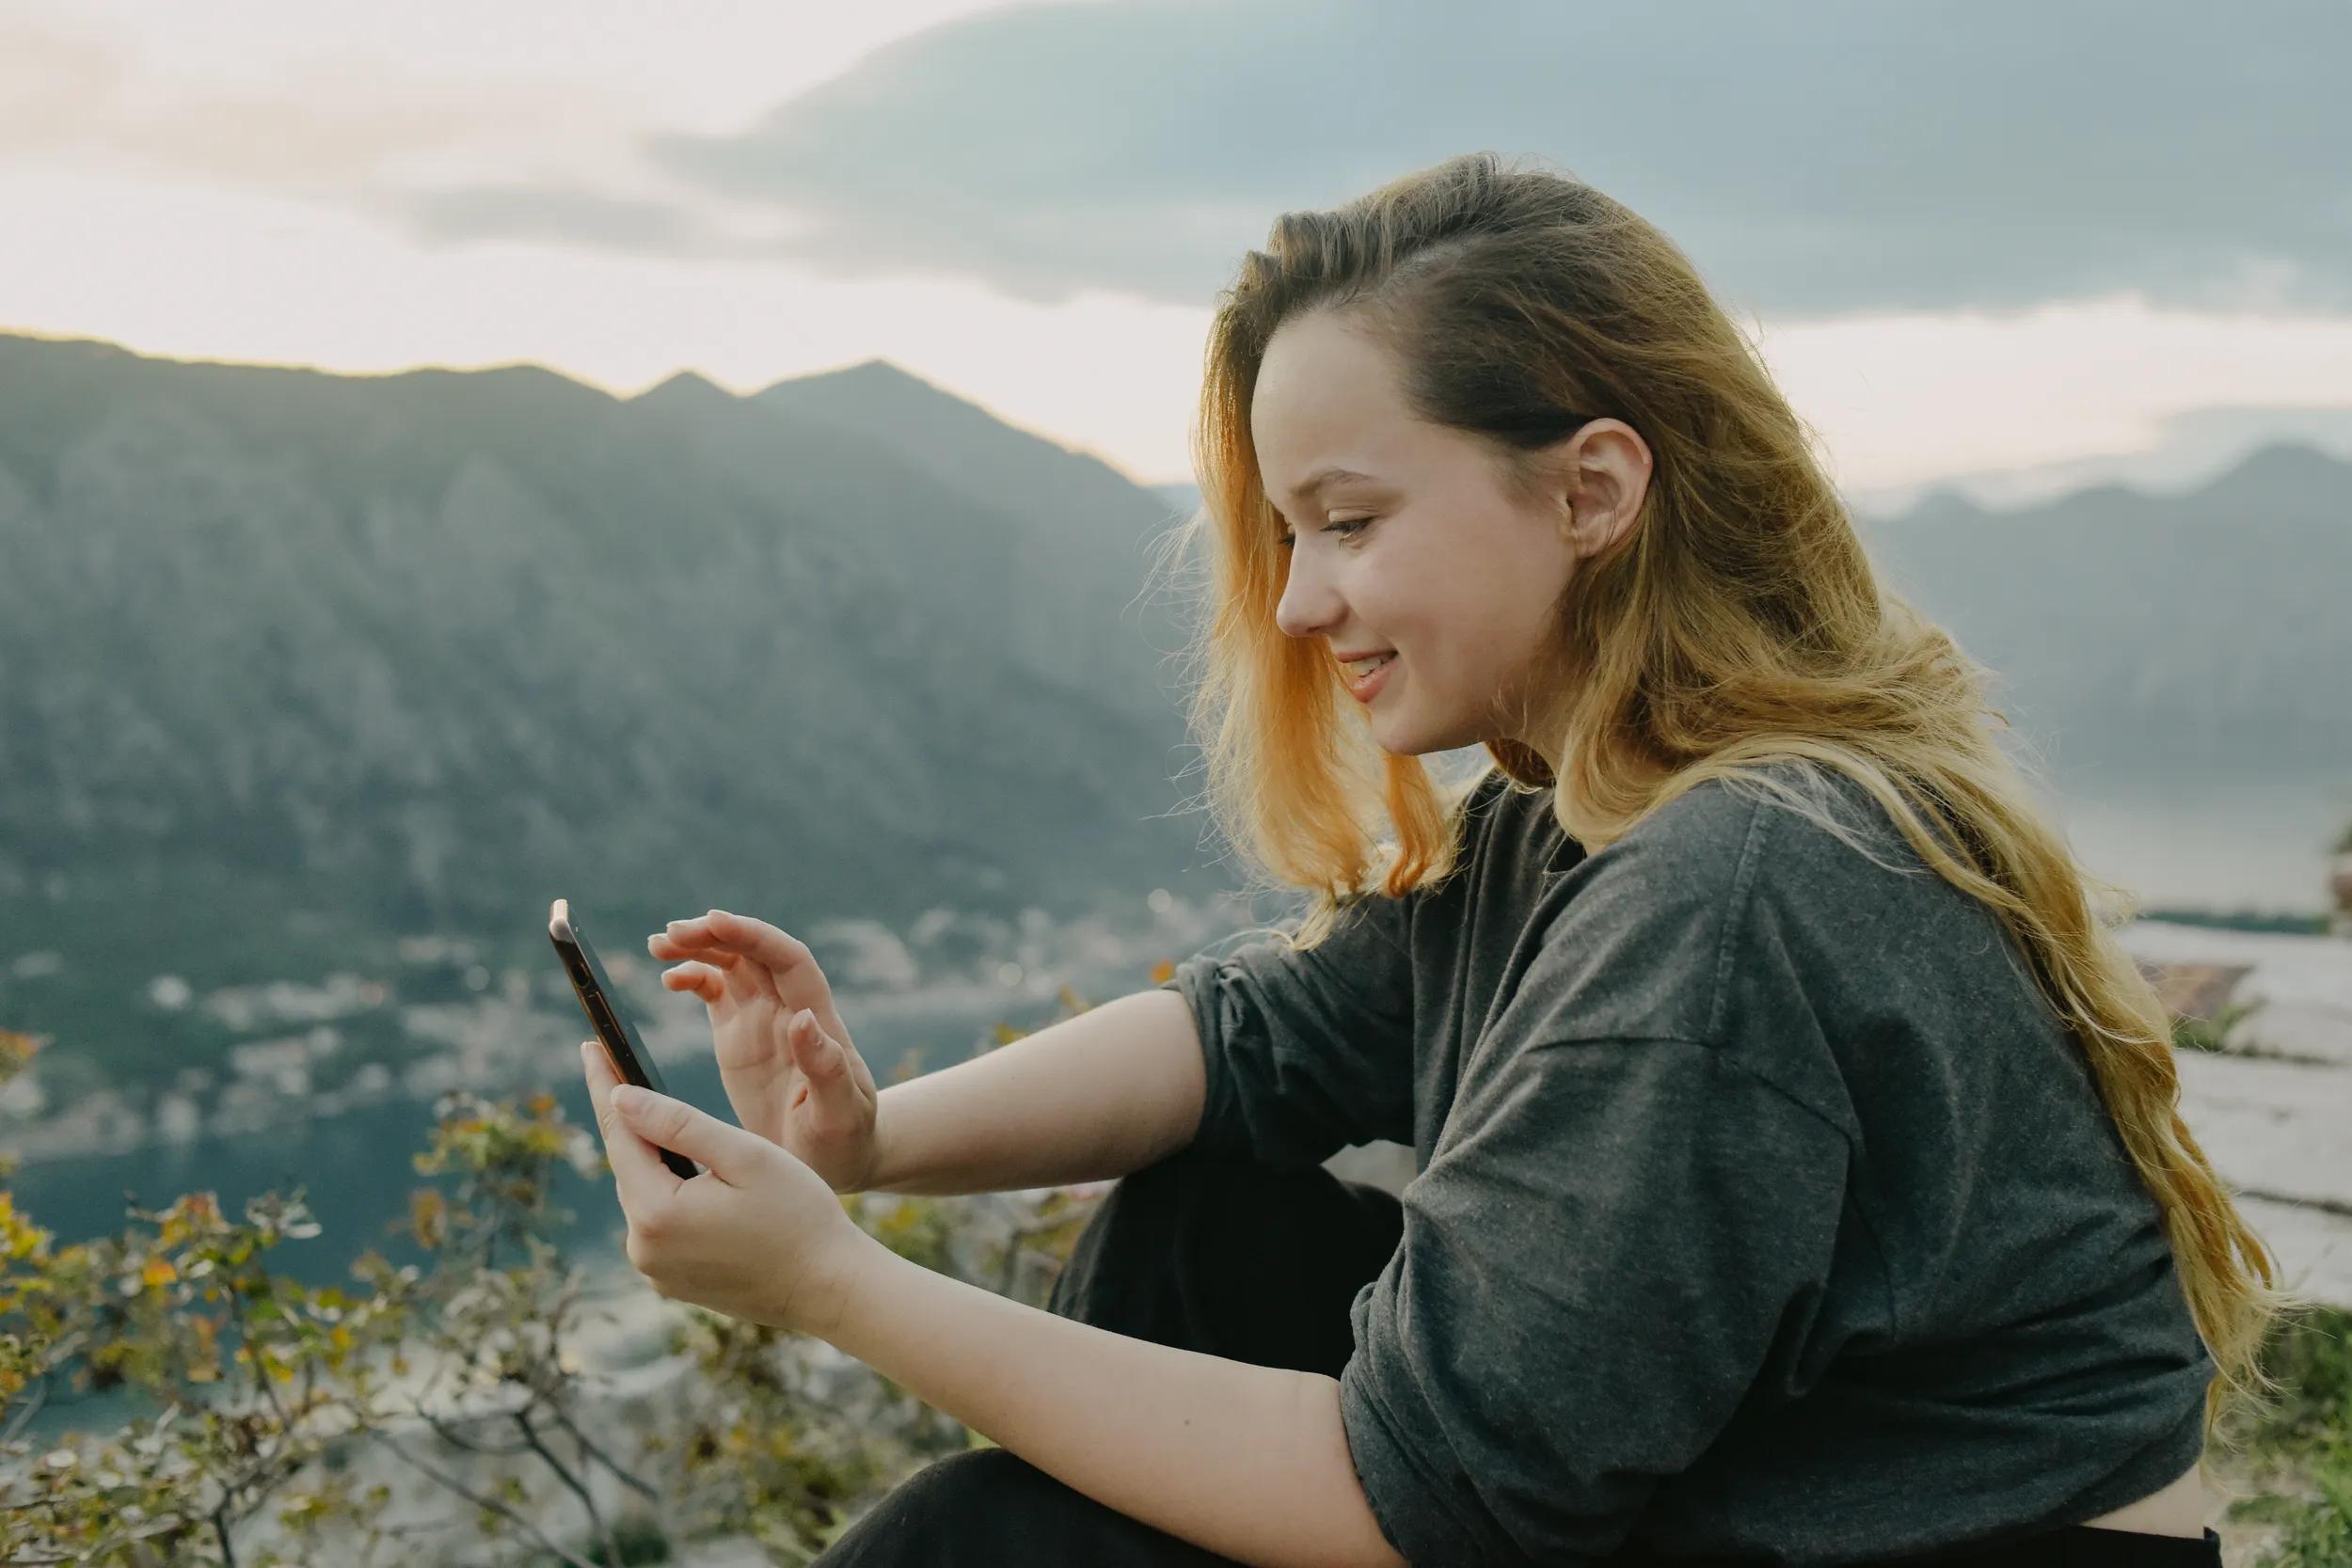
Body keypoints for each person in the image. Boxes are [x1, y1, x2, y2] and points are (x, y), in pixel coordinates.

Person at [579, 152, 2312, 1565]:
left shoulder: (1735, 888)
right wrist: (867, 1143)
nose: (1297, 600)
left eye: (1349, 522)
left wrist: (826, 1281)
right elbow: (1259, 1042)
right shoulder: (1586, 812)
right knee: (1211, 1225)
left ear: (1591, 491)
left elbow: (1430, 1497)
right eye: (1284, 535)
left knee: (978, 1549)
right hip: (1811, 1501)